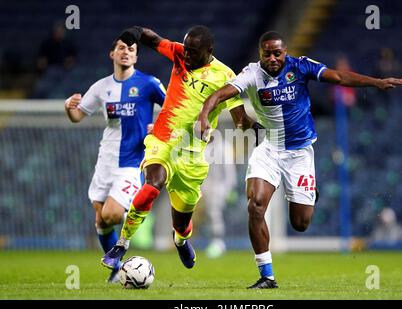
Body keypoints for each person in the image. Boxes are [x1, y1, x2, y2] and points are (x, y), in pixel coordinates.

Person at [198, 31, 402, 289]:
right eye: (268, 54)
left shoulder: (301, 67)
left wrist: (375, 82)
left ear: (285, 52)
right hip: (269, 149)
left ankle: (308, 190)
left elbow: (340, 77)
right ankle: (267, 276)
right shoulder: (252, 73)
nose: (273, 58)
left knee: (300, 223)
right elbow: (221, 94)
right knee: (255, 206)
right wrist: (204, 115)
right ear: (260, 54)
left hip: (299, 155)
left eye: (278, 53)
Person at [101, 25, 259, 271]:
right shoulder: (178, 53)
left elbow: (239, 118)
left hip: (192, 154)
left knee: (182, 218)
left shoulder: (225, 76)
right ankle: (122, 243)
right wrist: (131, 32)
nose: (186, 55)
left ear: (209, 51)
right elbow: (153, 38)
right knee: (153, 183)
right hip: (162, 140)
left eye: (193, 52)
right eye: (185, 49)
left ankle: (181, 239)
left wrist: (257, 128)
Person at [64, 37, 166, 282]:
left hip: (132, 163)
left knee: (111, 214)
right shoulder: (101, 87)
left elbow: (173, 108)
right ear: (112, 54)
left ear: (136, 57)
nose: (126, 52)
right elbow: (77, 115)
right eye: (121, 48)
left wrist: (159, 127)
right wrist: (68, 106)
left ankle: (135, 220)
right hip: (105, 160)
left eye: (131, 49)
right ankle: (118, 269)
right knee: (101, 220)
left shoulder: (149, 83)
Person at [202, 138, 238, 258]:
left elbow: (229, 170)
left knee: (215, 214)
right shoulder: (202, 147)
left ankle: (218, 242)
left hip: (220, 187)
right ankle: (213, 242)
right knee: (209, 216)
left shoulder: (224, 146)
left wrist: (230, 188)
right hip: (205, 187)